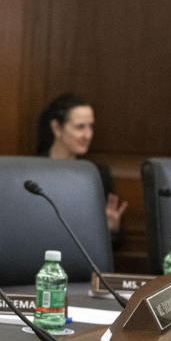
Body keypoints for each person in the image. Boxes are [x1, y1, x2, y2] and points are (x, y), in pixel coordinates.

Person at [36, 93, 127, 239]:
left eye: (91, 126)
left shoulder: (97, 174)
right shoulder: (33, 170)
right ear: (57, 128)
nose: (88, 135)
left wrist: (111, 229)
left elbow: (115, 244)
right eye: (80, 127)